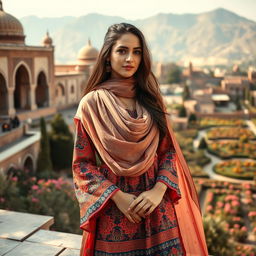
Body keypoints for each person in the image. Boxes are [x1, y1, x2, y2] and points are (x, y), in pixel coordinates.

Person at [72, 23, 208, 256]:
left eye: (137, 52)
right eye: (122, 50)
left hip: (158, 210)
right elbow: (82, 164)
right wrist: (117, 197)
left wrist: (158, 191)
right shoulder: (91, 104)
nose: (130, 58)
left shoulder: (152, 100)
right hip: (115, 214)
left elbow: (168, 152)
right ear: (107, 57)